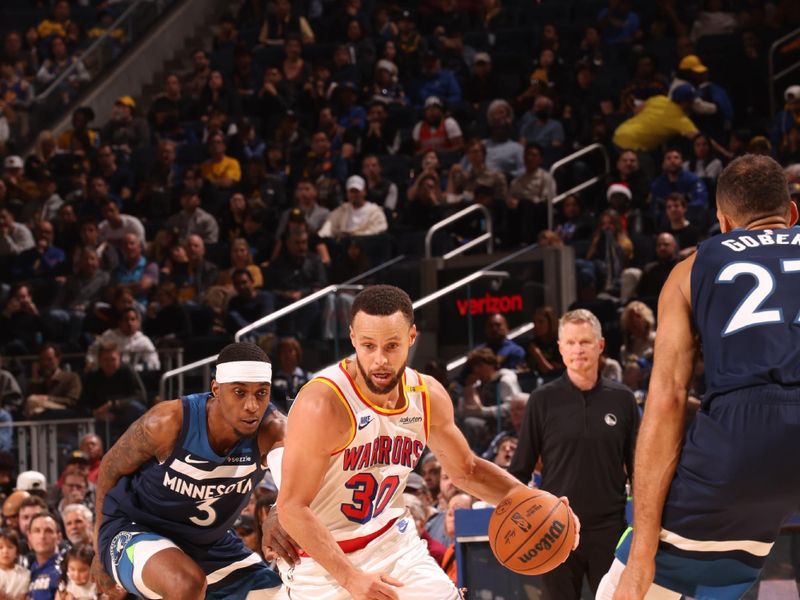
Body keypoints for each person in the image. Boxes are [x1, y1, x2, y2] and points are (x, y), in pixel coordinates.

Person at [273, 285, 579, 600]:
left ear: (411, 337)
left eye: (392, 345)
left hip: (393, 543)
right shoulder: (323, 403)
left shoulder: (427, 395)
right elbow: (292, 507)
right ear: (352, 338)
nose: (380, 360)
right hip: (323, 564)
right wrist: (352, 578)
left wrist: (540, 502)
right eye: (368, 345)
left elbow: (468, 470)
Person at [599, 155, 800, 599]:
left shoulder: (692, 268)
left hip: (743, 439)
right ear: (792, 214)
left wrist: (642, 552)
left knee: (623, 589)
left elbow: (668, 399)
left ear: (724, 223)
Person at [92, 342, 286, 599]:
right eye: (239, 392)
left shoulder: (273, 430)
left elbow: (297, 483)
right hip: (134, 527)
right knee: (185, 584)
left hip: (208, 542)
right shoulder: (167, 422)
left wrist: (277, 510)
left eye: (261, 393)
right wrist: (98, 550)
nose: (251, 405)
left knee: (278, 594)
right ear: (216, 389)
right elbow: (109, 468)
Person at [510, 309, 638, 600]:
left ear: (600, 345)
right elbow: (520, 469)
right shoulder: (542, 400)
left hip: (610, 531)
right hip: (555, 532)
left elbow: (638, 470)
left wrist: (643, 528)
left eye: (585, 342)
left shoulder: (623, 400)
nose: (577, 349)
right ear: (560, 348)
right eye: (570, 343)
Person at [0, 528, 29, 598]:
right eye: (0, 547)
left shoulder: (25, 574)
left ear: (17, 551)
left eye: (10, 547)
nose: (5, 551)